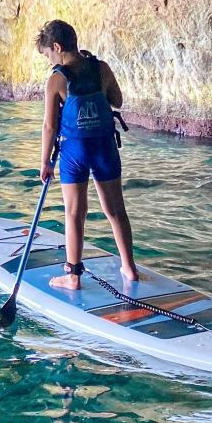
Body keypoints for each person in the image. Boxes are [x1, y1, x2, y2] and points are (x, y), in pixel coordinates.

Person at [36, 19, 138, 290]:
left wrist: (45, 162)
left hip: (74, 152)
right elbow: (117, 101)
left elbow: (50, 126)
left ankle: (73, 277)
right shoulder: (101, 68)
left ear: (57, 47)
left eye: (48, 54)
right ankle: (129, 268)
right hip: (104, 147)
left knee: (74, 213)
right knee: (116, 210)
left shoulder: (56, 80)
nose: (49, 61)